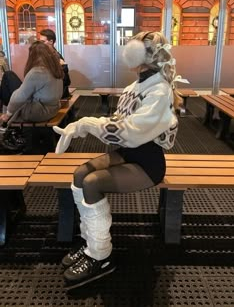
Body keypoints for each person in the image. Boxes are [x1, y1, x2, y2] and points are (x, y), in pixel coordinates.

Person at [53, 31, 182, 290]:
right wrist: (84, 126)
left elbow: (131, 131)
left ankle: (101, 256)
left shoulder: (159, 90)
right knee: (80, 174)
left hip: (147, 163)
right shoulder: (136, 86)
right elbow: (119, 123)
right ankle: (91, 244)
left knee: (91, 183)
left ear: (146, 57)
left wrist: (88, 123)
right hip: (127, 153)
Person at [0, 41, 63, 125]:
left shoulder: (37, 72)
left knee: (8, 76)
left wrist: (8, 114)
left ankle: (5, 115)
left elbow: (19, 97)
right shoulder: (55, 69)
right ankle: (7, 111)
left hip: (39, 112)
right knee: (10, 78)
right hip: (53, 108)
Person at [39, 28, 71, 99]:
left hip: (53, 93)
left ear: (51, 41)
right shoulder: (51, 55)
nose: (40, 44)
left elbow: (66, 81)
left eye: (43, 41)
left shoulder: (55, 56)